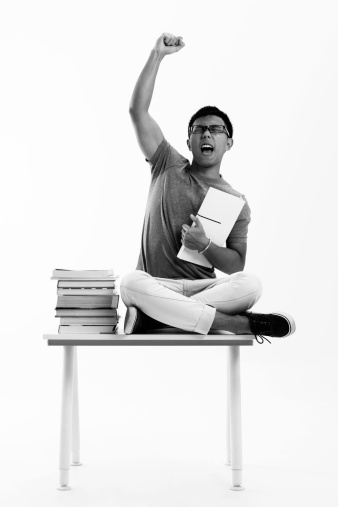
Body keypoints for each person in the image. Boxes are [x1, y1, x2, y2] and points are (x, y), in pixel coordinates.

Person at [120, 33, 296, 342]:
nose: (206, 134)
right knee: (130, 283)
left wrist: (204, 246)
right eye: (199, 129)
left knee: (251, 283)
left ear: (228, 142)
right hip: (156, 283)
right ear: (188, 140)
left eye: (216, 130)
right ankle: (240, 324)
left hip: (205, 288)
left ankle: (159, 317)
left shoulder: (236, 200)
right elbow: (138, 111)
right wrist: (156, 55)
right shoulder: (167, 163)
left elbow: (235, 264)